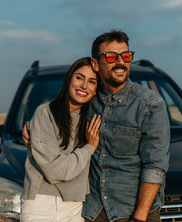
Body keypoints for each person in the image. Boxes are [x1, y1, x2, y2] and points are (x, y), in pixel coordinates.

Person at [23, 30, 170, 222]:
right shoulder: (89, 98)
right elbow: (61, 114)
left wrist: (140, 216)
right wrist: (32, 126)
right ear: (95, 63)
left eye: (126, 56)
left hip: (132, 211)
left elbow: (155, 165)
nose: (120, 62)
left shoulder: (150, 104)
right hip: (93, 211)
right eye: (111, 56)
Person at [20, 57, 102, 222]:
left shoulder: (92, 120)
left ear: (95, 90)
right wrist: (89, 148)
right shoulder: (45, 113)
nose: (84, 86)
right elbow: (54, 170)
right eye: (79, 77)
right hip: (41, 204)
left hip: (74, 207)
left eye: (92, 81)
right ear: (69, 79)